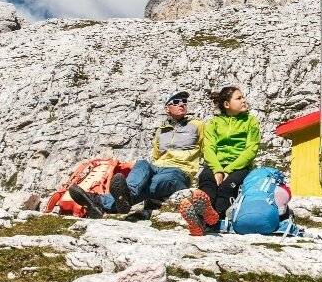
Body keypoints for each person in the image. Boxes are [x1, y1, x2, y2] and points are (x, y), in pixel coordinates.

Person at [69, 90, 205, 219]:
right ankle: (125, 196)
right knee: (142, 163)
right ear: (167, 109)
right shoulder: (161, 131)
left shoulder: (197, 125)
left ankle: (100, 201)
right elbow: (157, 156)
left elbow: (207, 150)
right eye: (175, 101)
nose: (181, 104)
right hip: (159, 167)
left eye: (184, 101)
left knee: (153, 183)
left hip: (180, 172)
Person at [189, 86, 261, 232]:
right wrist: (217, 169)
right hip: (216, 164)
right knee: (207, 179)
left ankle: (211, 219)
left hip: (240, 166)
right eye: (239, 98)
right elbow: (208, 148)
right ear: (226, 104)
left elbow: (251, 149)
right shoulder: (214, 123)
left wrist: (228, 169)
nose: (243, 100)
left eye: (243, 97)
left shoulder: (250, 121)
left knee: (226, 187)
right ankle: (205, 214)